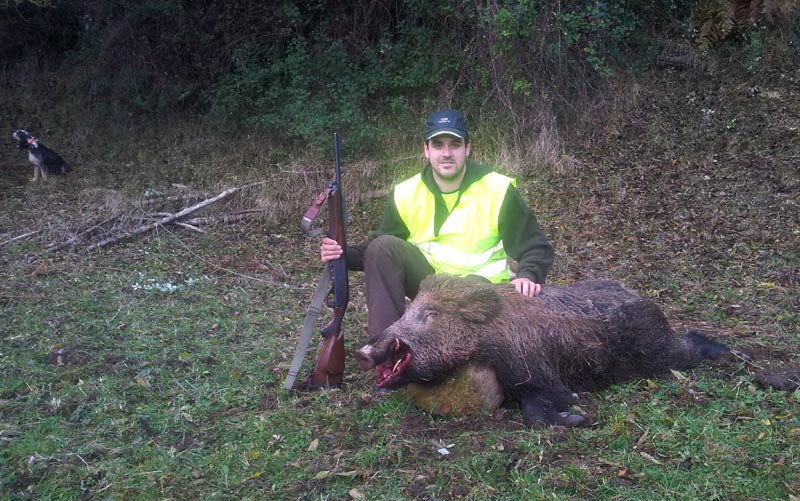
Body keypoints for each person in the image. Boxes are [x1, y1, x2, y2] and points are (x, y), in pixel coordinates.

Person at [321, 109, 554, 339]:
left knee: (468, 306)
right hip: (430, 285)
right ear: (426, 150)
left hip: (481, 290)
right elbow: (377, 249)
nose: (446, 153)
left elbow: (535, 246)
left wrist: (528, 275)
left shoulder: (497, 189)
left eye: (455, 144)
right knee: (383, 247)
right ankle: (386, 347)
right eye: (438, 145)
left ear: (467, 148)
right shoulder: (406, 193)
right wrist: (341, 253)